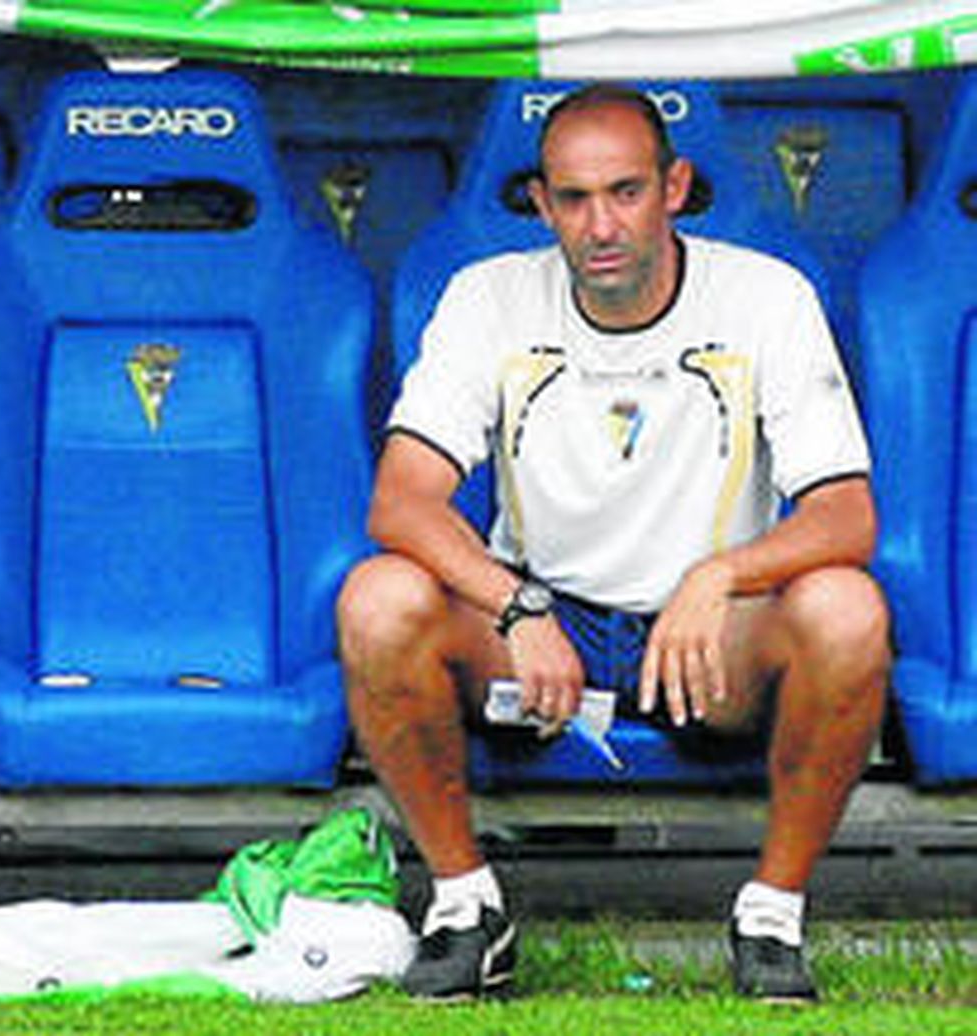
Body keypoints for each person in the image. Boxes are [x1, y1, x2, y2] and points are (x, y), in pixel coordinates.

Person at [337, 84, 887, 1004]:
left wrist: (720, 576)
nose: (601, 225)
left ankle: (772, 917)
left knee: (847, 610)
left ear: (675, 187)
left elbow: (846, 517)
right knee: (378, 599)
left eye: (625, 192)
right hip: (546, 633)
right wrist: (518, 605)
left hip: (713, 642)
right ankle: (468, 907)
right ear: (542, 202)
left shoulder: (765, 295)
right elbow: (401, 502)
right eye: (575, 198)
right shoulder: (491, 297)